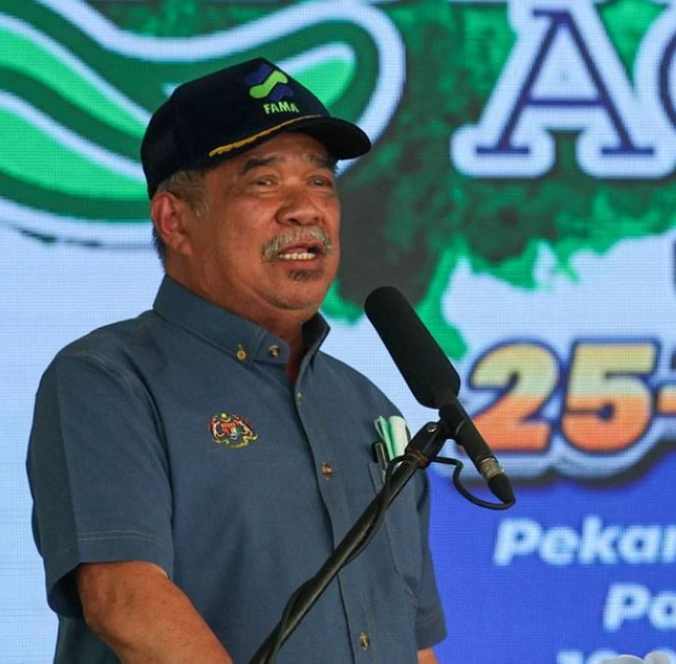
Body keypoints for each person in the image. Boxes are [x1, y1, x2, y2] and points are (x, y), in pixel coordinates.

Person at [26, 57, 447, 663]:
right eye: (265, 182)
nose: (306, 209)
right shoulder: (108, 380)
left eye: (321, 181)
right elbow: (127, 602)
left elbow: (412, 645)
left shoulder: (369, 409)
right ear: (175, 218)